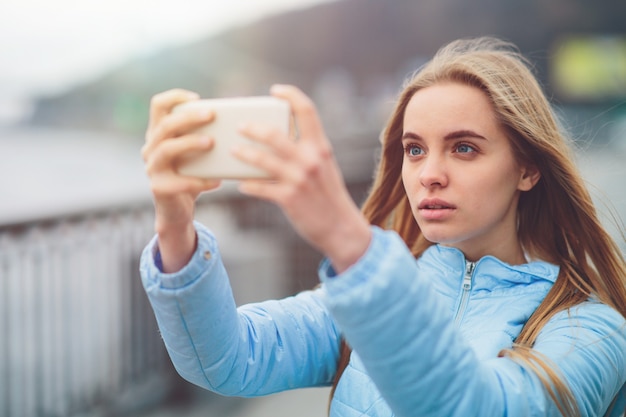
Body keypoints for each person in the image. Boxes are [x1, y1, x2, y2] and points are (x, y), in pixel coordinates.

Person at [139, 37, 626, 416]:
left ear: (527, 169)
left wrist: (349, 240)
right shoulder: (364, 300)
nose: (429, 173)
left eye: (464, 148)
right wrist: (176, 225)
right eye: (415, 149)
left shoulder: (593, 330)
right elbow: (225, 361)